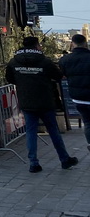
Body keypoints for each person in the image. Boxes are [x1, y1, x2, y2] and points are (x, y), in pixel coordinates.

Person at [5, 35, 78, 173]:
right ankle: (64, 159)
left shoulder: (14, 62)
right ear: (36, 46)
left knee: (31, 132)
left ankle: (33, 163)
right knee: (53, 131)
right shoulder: (44, 61)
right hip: (45, 101)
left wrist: (23, 83)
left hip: (26, 102)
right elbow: (58, 76)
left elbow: (9, 78)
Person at [59, 33, 90, 155]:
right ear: (85, 44)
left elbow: (62, 74)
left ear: (72, 44)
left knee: (87, 122)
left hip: (78, 98)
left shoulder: (65, 60)